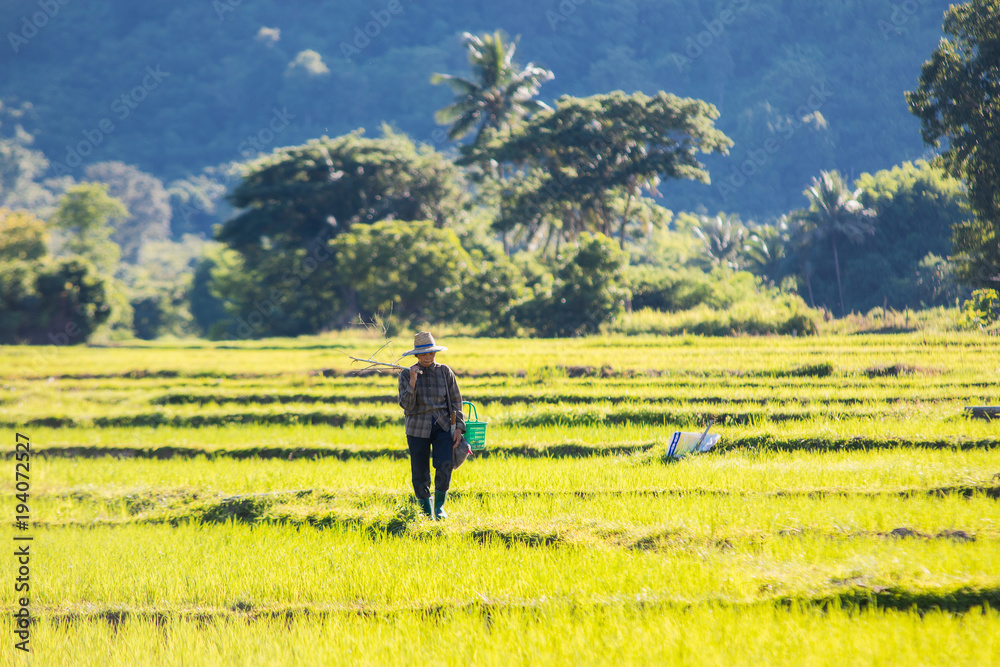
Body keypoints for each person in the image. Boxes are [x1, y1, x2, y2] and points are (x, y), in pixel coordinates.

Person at [397, 331, 465, 519]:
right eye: (424, 353)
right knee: (419, 470)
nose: (428, 356)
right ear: (416, 355)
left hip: (443, 425)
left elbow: (456, 400)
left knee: (445, 463)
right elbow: (406, 405)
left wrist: (459, 427)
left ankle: (439, 507)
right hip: (417, 427)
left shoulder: (445, 372)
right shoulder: (405, 375)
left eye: (431, 353)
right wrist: (412, 381)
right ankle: (426, 512)